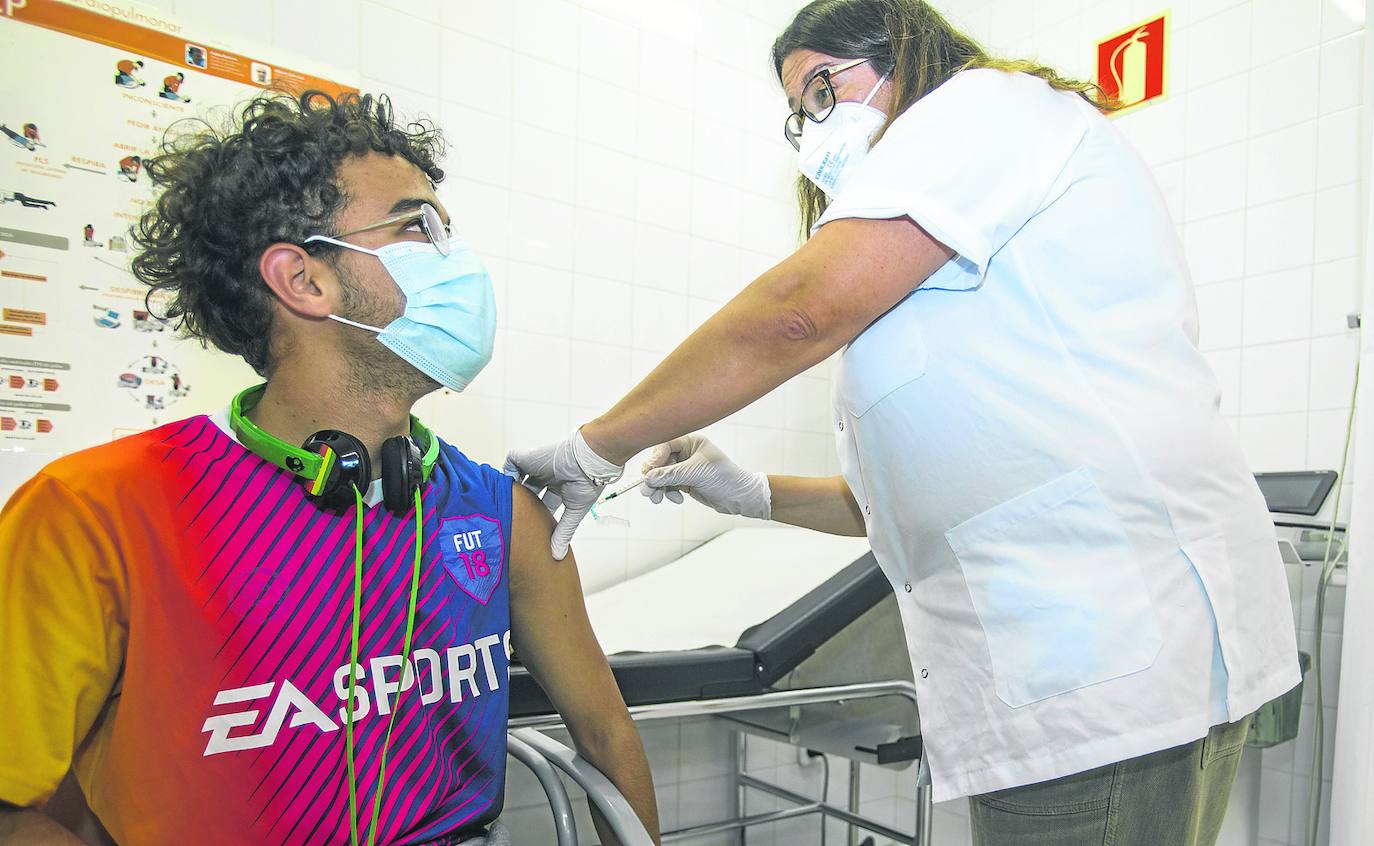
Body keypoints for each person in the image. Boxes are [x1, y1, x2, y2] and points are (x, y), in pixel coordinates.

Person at [505, 1, 1300, 844]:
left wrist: (600, 445)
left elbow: (798, 313)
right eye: (797, 113)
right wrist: (752, 495)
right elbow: (922, 493)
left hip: (1111, 656)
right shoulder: (945, 230)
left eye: (823, 89)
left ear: (906, 53)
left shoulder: (984, 108)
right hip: (1090, 655)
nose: (813, 128)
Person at [0, 90, 660, 846]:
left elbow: (607, 737)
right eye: (419, 226)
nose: (455, 259)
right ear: (303, 280)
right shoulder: (94, 513)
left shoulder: (501, 513)